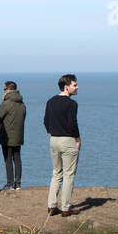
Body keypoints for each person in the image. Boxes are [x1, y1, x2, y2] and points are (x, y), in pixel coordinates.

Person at [44, 74, 81, 216]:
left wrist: (50, 132)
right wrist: (77, 139)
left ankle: (51, 206)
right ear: (66, 87)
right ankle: (65, 207)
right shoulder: (72, 104)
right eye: (74, 85)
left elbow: (46, 120)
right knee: (69, 174)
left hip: (54, 140)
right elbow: (72, 123)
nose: (77, 87)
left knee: (56, 173)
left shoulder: (50, 101)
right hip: (67, 140)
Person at [0, 81, 27, 191]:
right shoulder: (22, 104)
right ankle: (18, 184)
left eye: (4, 89)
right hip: (18, 135)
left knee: (8, 159)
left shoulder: (6, 104)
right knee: (17, 159)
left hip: (7, 136)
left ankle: (9, 184)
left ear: (8, 90)